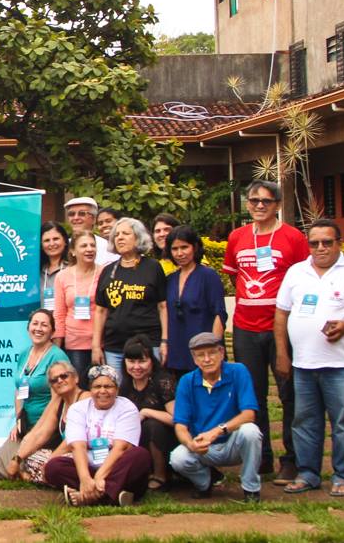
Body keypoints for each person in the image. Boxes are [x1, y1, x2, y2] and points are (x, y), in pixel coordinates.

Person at [274, 219, 344, 497]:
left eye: (327, 242)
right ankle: (308, 474)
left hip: (343, 365)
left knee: (342, 423)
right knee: (304, 422)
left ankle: (343, 476)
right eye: (314, 243)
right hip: (304, 364)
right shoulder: (296, 272)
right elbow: (281, 313)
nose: (320, 248)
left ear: (339, 243)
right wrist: (282, 353)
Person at [223, 179, 309, 483]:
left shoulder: (293, 237)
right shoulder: (237, 237)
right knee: (252, 396)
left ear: (277, 205)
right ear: (248, 204)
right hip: (245, 327)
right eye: (254, 200)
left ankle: (292, 459)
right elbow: (237, 278)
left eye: (266, 201)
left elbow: (302, 280)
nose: (260, 206)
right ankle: (262, 457)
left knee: (290, 394)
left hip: (282, 329)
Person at [170, 332, 262, 502]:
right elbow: (180, 425)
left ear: (221, 353)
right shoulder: (187, 381)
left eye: (212, 353)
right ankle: (205, 483)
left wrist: (218, 431)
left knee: (251, 431)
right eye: (200, 355)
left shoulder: (238, 371)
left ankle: (251, 488)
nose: (207, 359)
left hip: (233, 442)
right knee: (178, 458)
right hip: (204, 447)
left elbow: (249, 414)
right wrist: (190, 444)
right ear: (194, 359)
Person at [43, 365, 149, 507]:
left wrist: (100, 476)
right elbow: (77, 446)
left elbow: (122, 447)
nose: (102, 391)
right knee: (53, 467)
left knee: (140, 455)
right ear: (90, 389)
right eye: (97, 386)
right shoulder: (78, 409)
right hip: (90, 467)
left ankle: (91, 496)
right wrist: (85, 478)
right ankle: (112, 494)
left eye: (108, 386)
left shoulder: (127, 408)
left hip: (117, 467)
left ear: (117, 389)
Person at [0, 361, 88, 483]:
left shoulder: (85, 399)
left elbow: (73, 440)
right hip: (66, 454)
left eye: (64, 376)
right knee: (31, 456)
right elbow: (41, 434)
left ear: (76, 378)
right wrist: (17, 459)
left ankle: (47, 478)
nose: (59, 381)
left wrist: (50, 461)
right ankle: (48, 478)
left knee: (55, 465)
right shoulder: (59, 402)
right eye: (54, 380)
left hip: (84, 452)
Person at [92, 218, 166, 375]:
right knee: (117, 392)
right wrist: (96, 346)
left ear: (138, 238)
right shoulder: (108, 271)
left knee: (150, 391)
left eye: (125, 233)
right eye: (116, 234)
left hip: (148, 344)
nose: (119, 237)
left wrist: (165, 341)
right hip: (115, 346)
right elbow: (101, 311)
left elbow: (163, 306)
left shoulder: (153, 267)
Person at [164, 225, 227, 377]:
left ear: (195, 247)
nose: (180, 253)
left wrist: (213, 349)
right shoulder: (170, 279)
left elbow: (219, 313)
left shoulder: (208, 276)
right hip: (177, 350)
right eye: (175, 249)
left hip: (204, 350)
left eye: (184, 247)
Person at [119, 336, 177, 491]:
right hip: (137, 440)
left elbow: (177, 419)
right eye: (131, 361)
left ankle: (160, 475)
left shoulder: (163, 380)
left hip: (167, 439)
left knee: (152, 426)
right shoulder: (125, 384)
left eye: (142, 361)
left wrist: (147, 412)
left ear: (152, 360)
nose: (136, 367)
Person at [53, 231, 101, 386]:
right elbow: (59, 313)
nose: (89, 249)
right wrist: (57, 348)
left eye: (92, 245)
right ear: (73, 251)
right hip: (74, 344)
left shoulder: (105, 273)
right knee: (79, 388)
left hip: (101, 342)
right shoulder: (62, 276)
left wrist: (98, 344)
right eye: (84, 245)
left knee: (103, 387)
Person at [13, 309, 70, 438]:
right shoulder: (24, 354)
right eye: (35, 323)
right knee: (4, 455)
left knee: (20, 456)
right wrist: (19, 422)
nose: (38, 328)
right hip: (26, 424)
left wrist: (36, 432)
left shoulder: (57, 357)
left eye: (44, 325)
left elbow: (60, 399)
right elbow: (18, 390)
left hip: (49, 427)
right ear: (28, 328)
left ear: (52, 332)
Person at [63, 197, 119, 265]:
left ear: (93, 219)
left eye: (81, 214)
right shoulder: (63, 246)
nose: (76, 218)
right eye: (71, 214)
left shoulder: (107, 247)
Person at [39, 221, 70, 312]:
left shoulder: (73, 269)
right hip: (42, 324)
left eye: (56, 239)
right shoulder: (36, 271)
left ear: (65, 241)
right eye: (47, 240)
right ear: (41, 245)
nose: (52, 244)